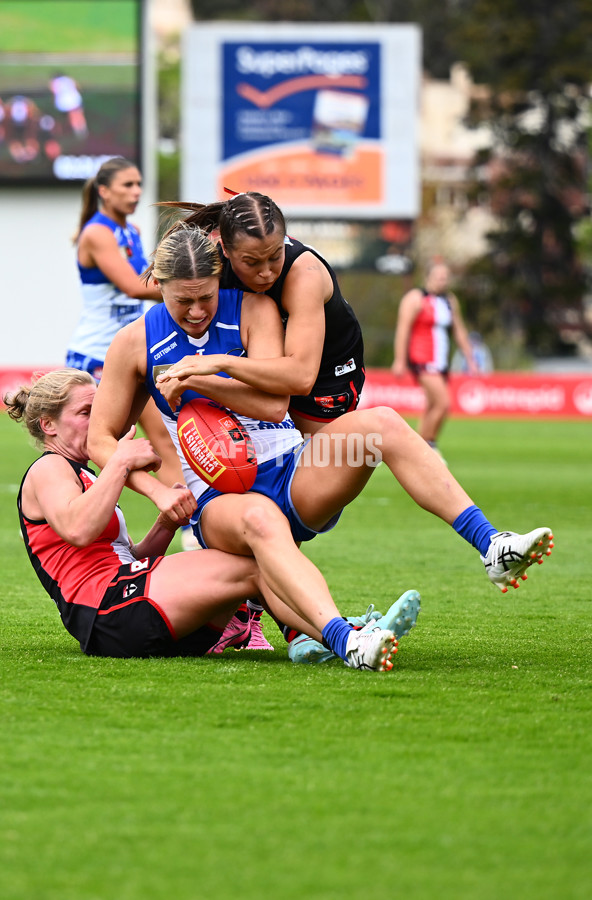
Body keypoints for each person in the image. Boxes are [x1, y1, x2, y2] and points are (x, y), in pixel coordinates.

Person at [87, 223, 554, 662]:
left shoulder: (253, 308)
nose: (195, 311)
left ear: (218, 278)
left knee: (384, 425)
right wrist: (156, 491)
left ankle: (491, 544)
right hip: (219, 499)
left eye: (205, 297)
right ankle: (347, 640)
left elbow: (273, 406)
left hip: (294, 468)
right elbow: (100, 440)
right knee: (261, 519)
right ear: (157, 285)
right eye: (181, 301)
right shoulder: (134, 342)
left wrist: (204, 375)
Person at [4, 368, 400, 671]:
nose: (97, 421)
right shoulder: (49, 469)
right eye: (84, 412)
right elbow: (78, 529)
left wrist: (165, 524)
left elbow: (127, 557)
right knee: (256, 567)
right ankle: (345, 637)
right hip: (108, 615)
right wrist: (121, 461)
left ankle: (326, 635)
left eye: (99, 410)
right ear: (48, 425)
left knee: (259, 559)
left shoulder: (86, 474)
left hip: (131, 607)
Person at [159, 191, 365, 437]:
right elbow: (173, 290)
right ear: (224, 248)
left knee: (315, 465)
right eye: (251, 262)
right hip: (260, 362)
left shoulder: (304, 275)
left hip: (325, 376)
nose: (266, 272)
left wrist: (217, 362)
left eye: (274, 256)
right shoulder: (213, 263)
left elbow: (301, 378)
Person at [64, 156, 187, 512]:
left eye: (138, 184)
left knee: (164, 436)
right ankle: (76, 515)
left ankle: (191, 516)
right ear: (104, 191)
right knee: (88, 447)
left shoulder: (130, 232)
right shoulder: (96, 232)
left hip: (135, 353)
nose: (136, 192)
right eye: (127, 185)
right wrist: (193, 286)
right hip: (95, 356)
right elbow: (134, 286)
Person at [392, 261, 478, 456]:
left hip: (441, 363)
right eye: (439, 276)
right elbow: (403, 329)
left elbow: (459, 330)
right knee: (443, 403)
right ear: (428, 276)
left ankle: (415, 450)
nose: (443, 281)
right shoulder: (415, 299)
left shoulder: (449, 300)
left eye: (446, 277)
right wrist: (400, 359)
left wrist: (470, 358)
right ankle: (428, 447)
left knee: (431, 406)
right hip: (422, 359)